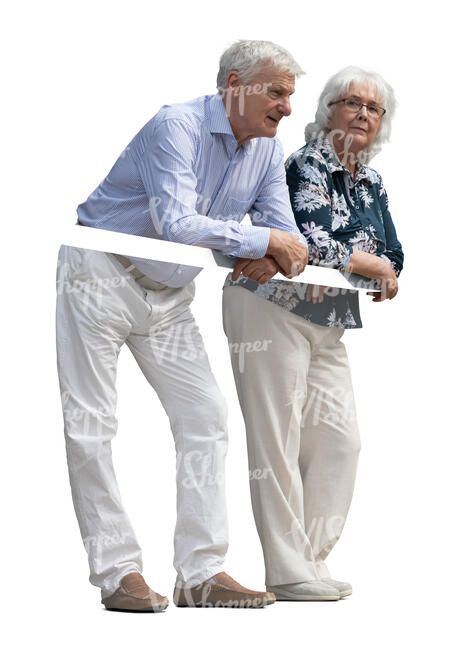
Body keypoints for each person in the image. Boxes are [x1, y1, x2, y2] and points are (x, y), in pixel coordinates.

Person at [56, 39, 308, 611]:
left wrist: (272, 251)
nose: (287, 107)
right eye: (277, 92)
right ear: (235, 84)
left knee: (206, 415)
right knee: (91, 423)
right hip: (99, 272)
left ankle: (201, 574)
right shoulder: (177, 126)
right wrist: (262, 241)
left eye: (291, 95)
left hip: (168, 293)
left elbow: (285, 233)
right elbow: (175, 221)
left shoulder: (268, 151)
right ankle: (118, 575)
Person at [222, 66, 404, 601]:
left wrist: (371, 263)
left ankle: (312, 560)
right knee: (277, 440)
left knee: (340, 441)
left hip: (328, 318)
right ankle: (286, 568)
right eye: (351, 102)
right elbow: (306, 241)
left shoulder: (372, 181)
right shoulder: (307, 164)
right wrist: (366, 262)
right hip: (270, 306)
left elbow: (395, 256)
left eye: (373, 108)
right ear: (327, 111)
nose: (362, 114)